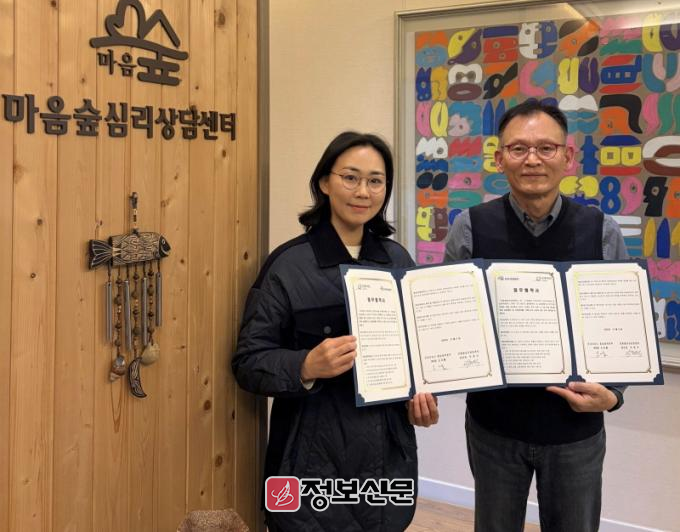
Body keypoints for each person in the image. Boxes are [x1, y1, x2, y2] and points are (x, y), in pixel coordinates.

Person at [233, 131, 439, 532]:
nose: (363, 191)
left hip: (387, 458)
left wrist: (422, 397)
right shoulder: (288, 265)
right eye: (350, 177)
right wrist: (305, 366)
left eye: (375, 181)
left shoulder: (398, 261)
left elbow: (418, 354)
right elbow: (248, 362)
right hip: (306, 460)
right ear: (325, 183)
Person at [445, 98, 627, 532]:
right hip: (493, 427)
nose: (532, 160)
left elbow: (621, 325)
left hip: (575, 431)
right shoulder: (470, 227)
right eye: (518, 148)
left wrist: (614, 394)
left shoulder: (601, 231)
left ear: (568, 157)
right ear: (499, 158)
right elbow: (448, 320)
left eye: (546, 148)